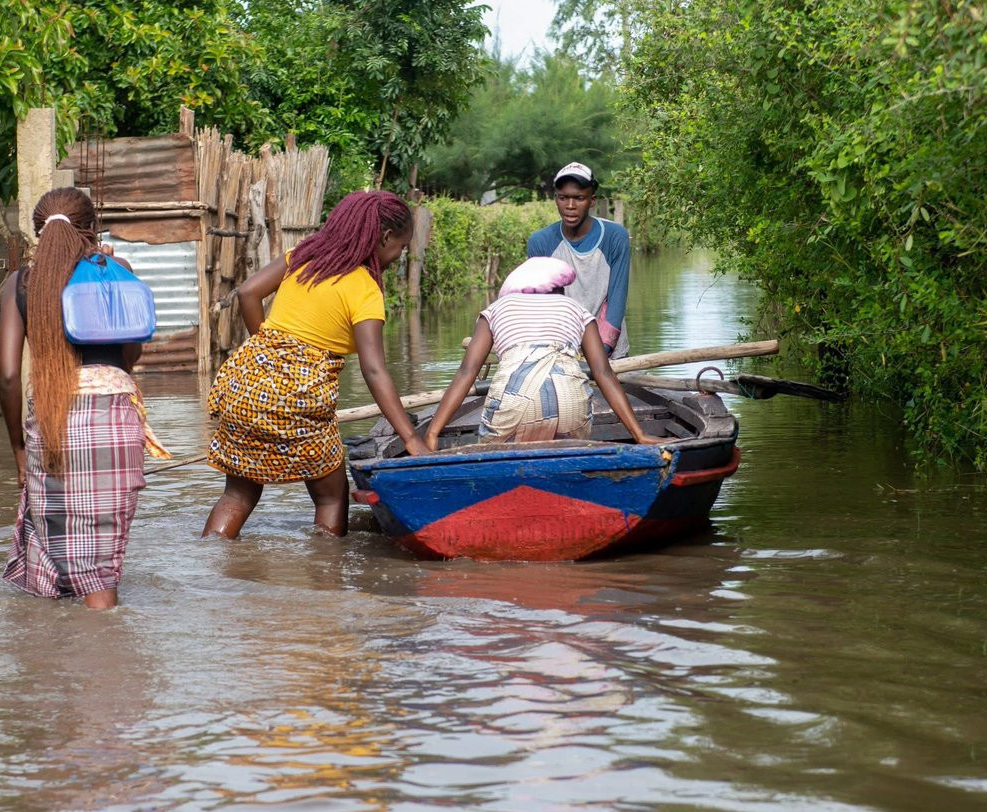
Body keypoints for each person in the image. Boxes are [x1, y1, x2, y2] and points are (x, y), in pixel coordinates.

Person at [202, 189, 429, 540]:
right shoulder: (364, 288)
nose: (400, 255)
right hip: (298, 395)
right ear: (385, 237)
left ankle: (210, 556)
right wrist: (412, 438)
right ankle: (326, 568)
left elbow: (247, 292)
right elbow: (373, 370)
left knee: (239, 493)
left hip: (244, 381)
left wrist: (270, 352)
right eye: (401, 246)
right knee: (331, 495)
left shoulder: (303, 256)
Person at [0, 188, 169, 610]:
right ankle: (104, 642)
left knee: (53, 552)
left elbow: (9, 375)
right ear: (92, 228)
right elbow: (131, 356)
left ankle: (68, 647)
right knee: (100, 568)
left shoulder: (21, 283)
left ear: (38, 232)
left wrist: (18, 449)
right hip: (115, 416)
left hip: (53, 420)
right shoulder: (118, 270)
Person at [421, 256, 665, 449]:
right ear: (559, 289)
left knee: (492, 441)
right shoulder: (577, 309)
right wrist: (639, 434)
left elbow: (467, 372)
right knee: (573, 414)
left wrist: (432, 433)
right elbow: (603, 373)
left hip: (511, 410)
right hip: (571, 411)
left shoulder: (495, 309)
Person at [527, 161, 631, 359]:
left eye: (579, 198)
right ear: (556, 199)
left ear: (592, 200)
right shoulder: (540, 242)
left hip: (609, 351)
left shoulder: (615, 237)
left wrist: (600, 352)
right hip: (560, 351)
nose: (570, 206)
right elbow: (542, 306)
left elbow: (616, 299)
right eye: (563, 198)